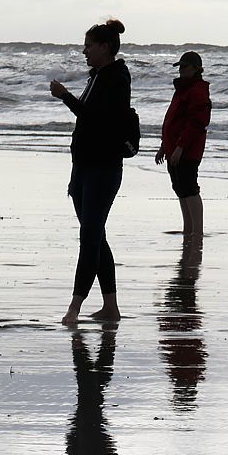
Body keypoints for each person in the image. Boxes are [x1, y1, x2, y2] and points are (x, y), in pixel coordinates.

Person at [49, 19, 132, 325]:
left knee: (90, 237)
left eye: (88, 45)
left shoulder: (116, 79)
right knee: (96, 237)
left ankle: (74, 308)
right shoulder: (97, 76)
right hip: (84, 167)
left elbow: (97, 119)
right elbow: (87, 119)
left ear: (105, 48)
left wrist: (65, 97)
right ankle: (110, 307)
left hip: (104, 168)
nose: (84, 51)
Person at [155, 50, 211, 238]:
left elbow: (196, 123)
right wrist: (165, 146)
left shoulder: (197, 91)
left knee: (189, 188)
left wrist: (180, 147)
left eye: (185, 67)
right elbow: (173, 120)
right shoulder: (182, 90)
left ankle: (197, 232)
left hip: (187, 150)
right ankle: (189, 230)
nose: (181, 70)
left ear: (197, 69)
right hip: (174, 149)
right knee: (180, 189)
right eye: (180, 67)